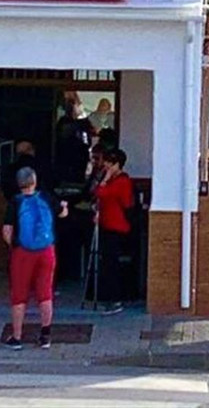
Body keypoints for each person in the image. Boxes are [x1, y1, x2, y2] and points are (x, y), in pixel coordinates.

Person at [1, 167, 68, 350]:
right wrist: (64, 207)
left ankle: (16, 337)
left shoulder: (15, 202)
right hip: (47, 251)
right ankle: (45, 336)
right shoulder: (46, 197)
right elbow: (62, 214)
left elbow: (7, 231)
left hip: (22, 253)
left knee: (19, 295)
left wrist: (13, 246)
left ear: (18, 183)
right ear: (34, 181)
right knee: (45, 293)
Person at [94, 148, 135, 314]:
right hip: (108, 224)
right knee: (107, 262)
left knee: (112, 264)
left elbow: (101, 192)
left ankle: (115, 299)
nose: (106, 166)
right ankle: (109, 297)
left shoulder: (122, 181)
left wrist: (105, 179)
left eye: (110, 163)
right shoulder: (115, 180)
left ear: (118, 164)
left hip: (117, 227)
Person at [55, 92, 94, 186]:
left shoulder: (83, 123)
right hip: (67, 157)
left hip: (80, 157)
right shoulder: (64, 122)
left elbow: (89, 137)